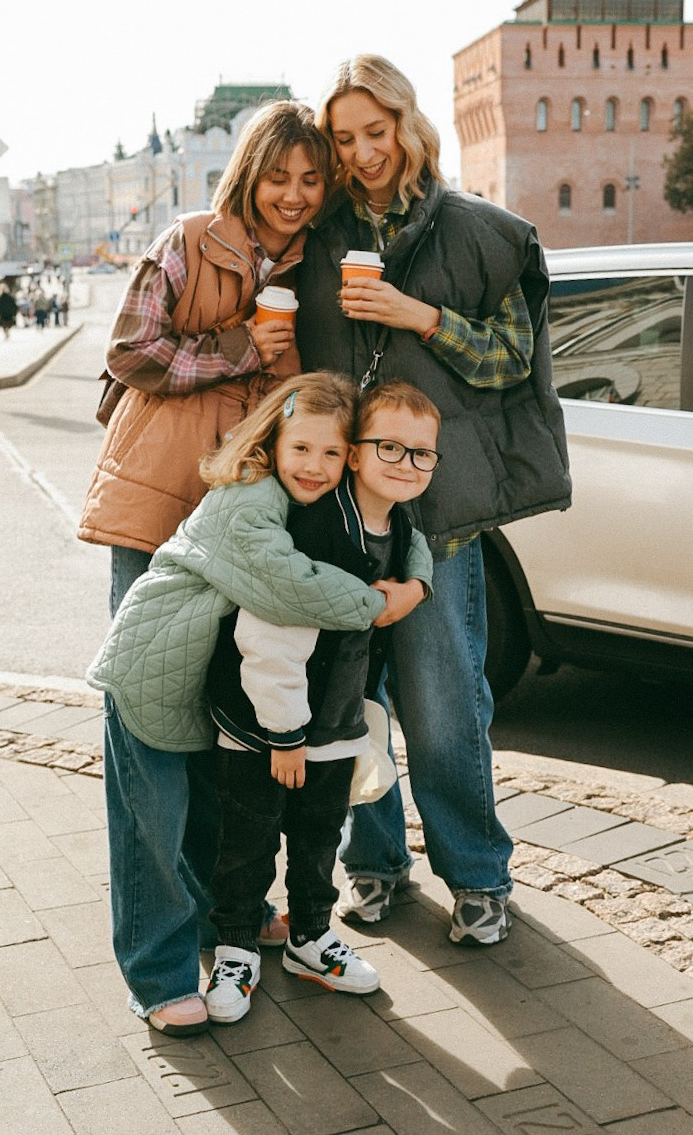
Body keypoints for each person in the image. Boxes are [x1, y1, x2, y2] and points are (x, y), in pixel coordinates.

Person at [295, 54, 572, 947]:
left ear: (409, 125)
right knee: (346, 698)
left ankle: (479, 875)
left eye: (375, 131)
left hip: (436, 512)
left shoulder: (480, 232)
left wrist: (418, 317)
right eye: (344, 139)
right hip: (340, 510)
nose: (363, 153)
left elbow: (510, 362)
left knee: (443, 700)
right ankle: (373, 867)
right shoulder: (319, 238)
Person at [78, 100, 335, 1032]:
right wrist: (237, 350)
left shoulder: (314, 273)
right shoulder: (189, 241)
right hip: (158, 520)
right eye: (279, 177)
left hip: (243, 530)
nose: (294, 198)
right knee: (147, 732)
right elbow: (129, 353)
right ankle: (156, 966)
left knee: (221, 732)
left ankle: (216, 915)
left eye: (311, 181)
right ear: (247, 174)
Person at [87, 373, 412, 1034]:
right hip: (153, 674)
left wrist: (422, 583)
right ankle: (158, 979)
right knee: (152, 831)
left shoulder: (317, 497)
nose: (316, 468)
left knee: (209, 818)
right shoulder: (248, 498)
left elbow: (405, 533)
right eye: (303, 448)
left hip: (208, 686)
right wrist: (384, 604)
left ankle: (223, 921)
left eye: (332, 453)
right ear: (272, 439)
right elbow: (288, 587)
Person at [202, 380, 439, 1025]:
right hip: (264, 724)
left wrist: (418, 582)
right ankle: (236, 947)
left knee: (317, 838)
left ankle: (310, 937)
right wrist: (283, 735)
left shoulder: (397, 523)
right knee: (248, 841)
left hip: (334, 720)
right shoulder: (312, 528)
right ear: (360, 456)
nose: (405, 464)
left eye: (422, 455)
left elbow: (409, 555)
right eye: (389, 448)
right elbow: (269, 634)